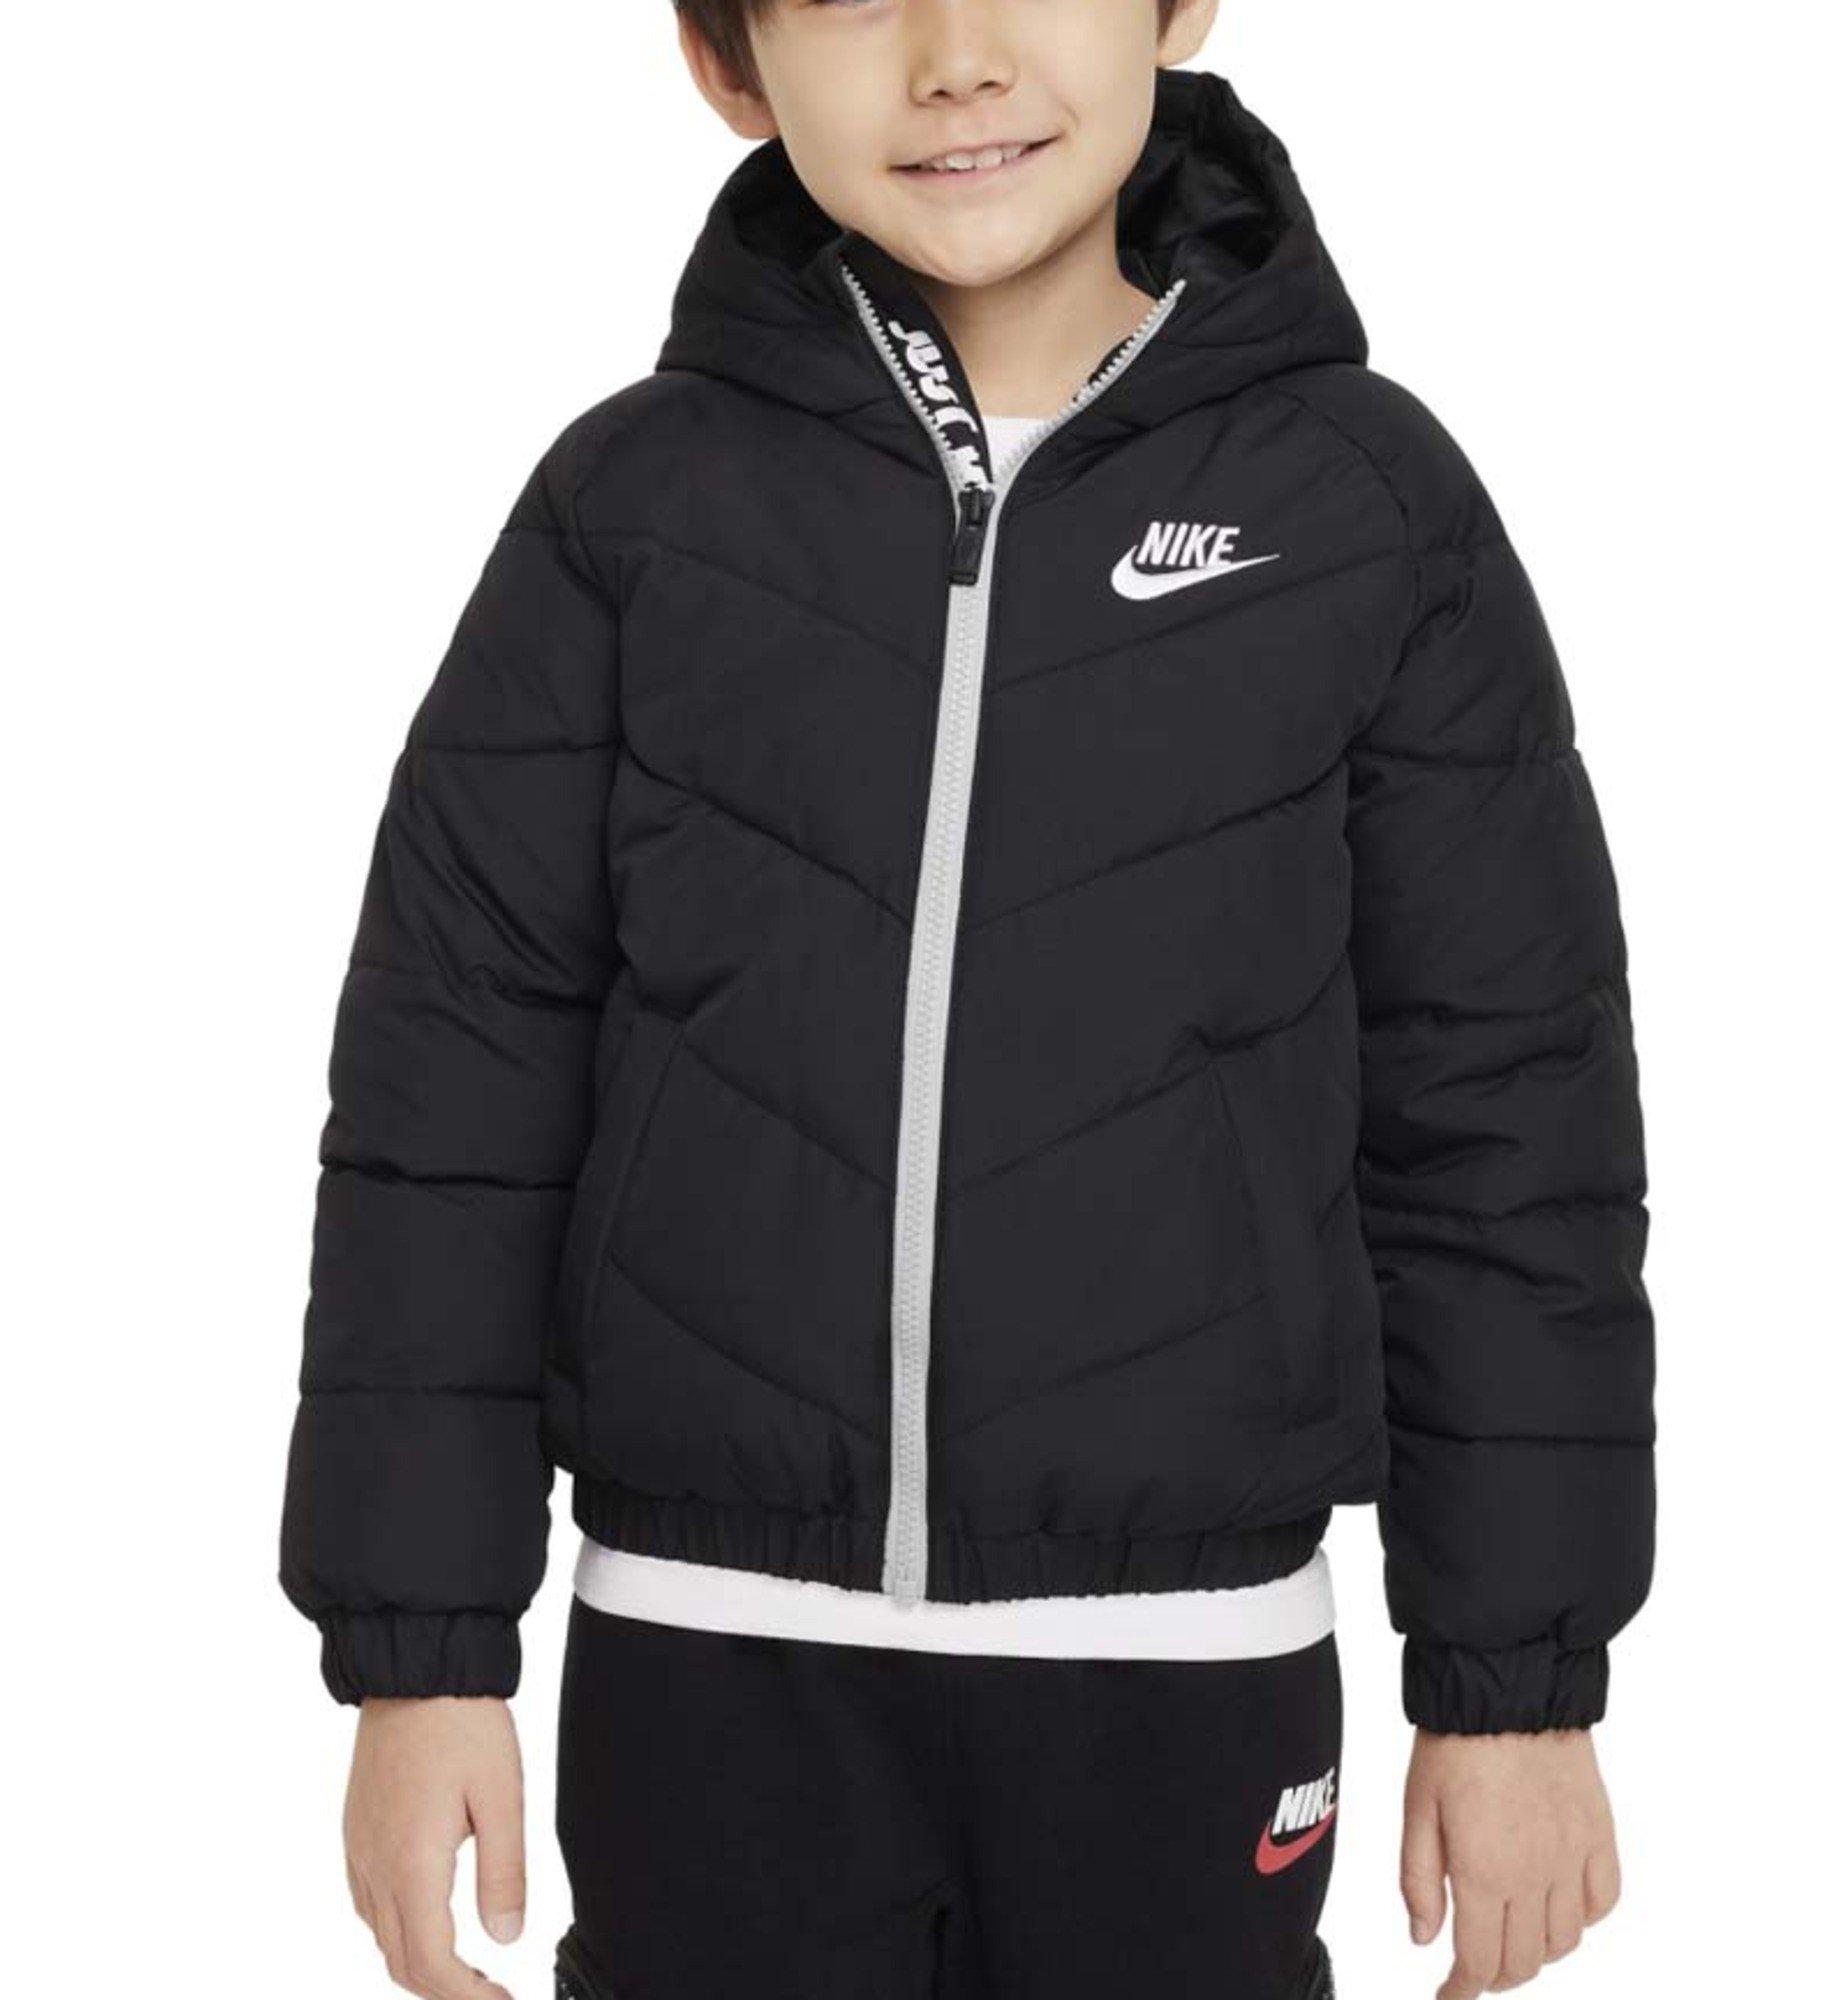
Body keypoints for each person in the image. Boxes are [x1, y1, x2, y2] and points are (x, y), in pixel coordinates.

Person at [280, 4, 1655, 1997]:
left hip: (1180, 1669)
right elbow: (450, 1103)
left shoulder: (1366, 509)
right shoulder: (631, 515)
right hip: (707, 1659)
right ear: (726, 61)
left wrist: (1514, 1682)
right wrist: (419, 1658)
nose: (955, 56)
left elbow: (1507, 1123)